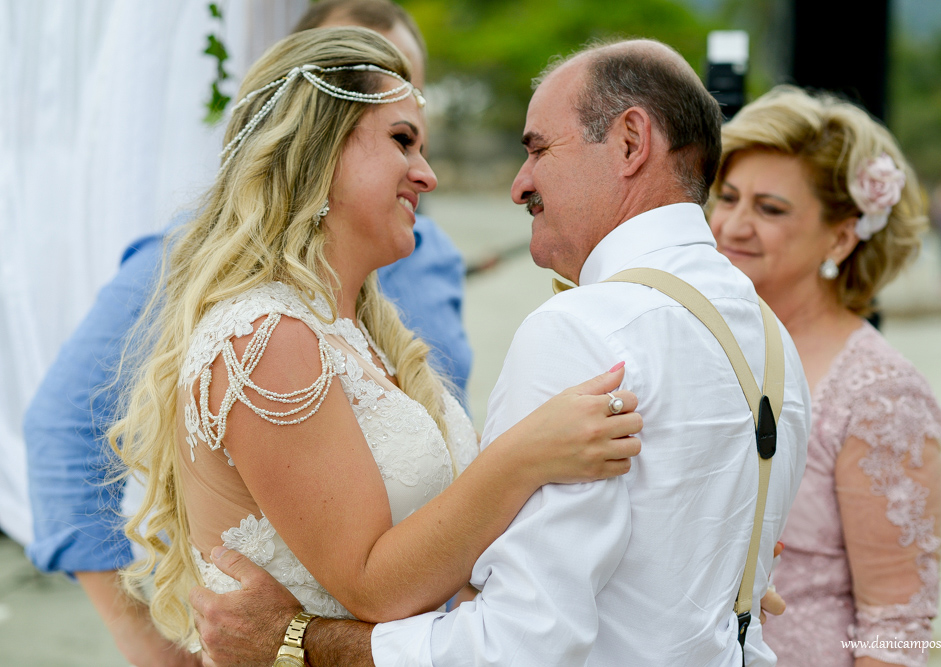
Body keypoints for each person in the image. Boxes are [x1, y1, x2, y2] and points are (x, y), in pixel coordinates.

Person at [190, 38, 812, 667]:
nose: (518, 186)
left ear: (630, 142)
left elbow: (521, 644)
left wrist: (297, 642)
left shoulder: (582, 331)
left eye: (538, 148)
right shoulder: (771, 339)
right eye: (403, 142)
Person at [113, 24, 643, 662]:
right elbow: (373, 585)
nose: (428, 176)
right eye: (402, 142)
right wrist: (527, 454)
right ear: (319, 148)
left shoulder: (360, 336)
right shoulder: (264, 338)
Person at [23, 3, 467, 665]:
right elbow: (60, 431)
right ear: (318, 123)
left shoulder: (428, 263)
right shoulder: (219, 291)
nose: (424, 168)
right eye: (398, 134)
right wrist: (155, 649)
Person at [707, 86, 941, 666]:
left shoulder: (882, 394)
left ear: (840, 236)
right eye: (728, 197)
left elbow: (896, 625)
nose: (733, 225)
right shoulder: (697, 341)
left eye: (769, 209)